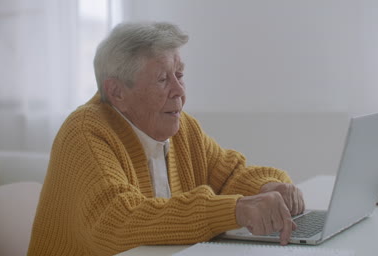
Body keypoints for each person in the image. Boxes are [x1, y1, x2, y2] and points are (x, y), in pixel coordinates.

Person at [28, 22, 305, 256]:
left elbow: (230, 174)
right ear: (117, 93)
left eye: (180, 75)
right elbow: (118, 221)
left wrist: (269, 186)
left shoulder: (182, 127)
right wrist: (234, 209)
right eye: (162, 79)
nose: (179, 91)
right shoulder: (85, 132)